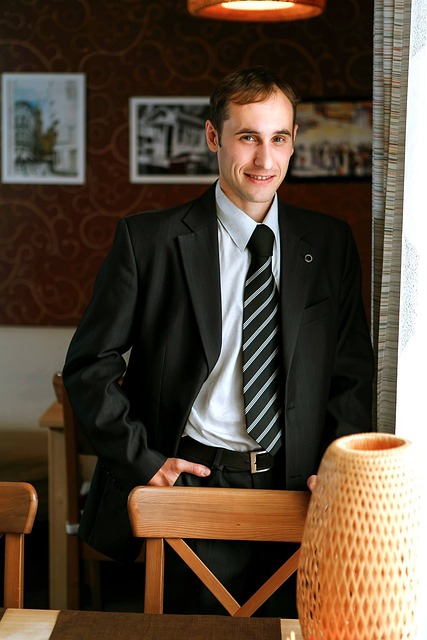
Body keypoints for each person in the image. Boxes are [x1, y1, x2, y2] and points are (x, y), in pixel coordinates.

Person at [62, 66, 374, 615]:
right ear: (214, 136)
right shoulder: (149, 240)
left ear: (293, 141)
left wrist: (337, 471)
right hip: (192, 487)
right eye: (248, 137)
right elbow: (90, 365)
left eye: (279, 138)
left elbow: (351, 372)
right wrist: (144, 462)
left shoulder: (329, 243)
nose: (265, 159)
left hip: (300, 491)